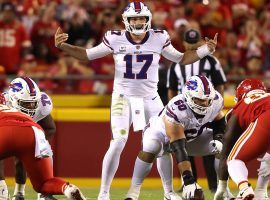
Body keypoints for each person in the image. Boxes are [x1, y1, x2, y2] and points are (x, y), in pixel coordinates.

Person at [54, 2, 218, 199]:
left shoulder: (159, 37)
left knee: (163, 143)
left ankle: (168, 192)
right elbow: (87, 55)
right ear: (126, 21)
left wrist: (204, 51)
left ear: (148, 20)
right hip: (123, 98)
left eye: (141, 18)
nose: (138, 22)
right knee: (118, 142)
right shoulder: (114, 38)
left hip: (151, 98)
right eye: (134, 19)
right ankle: (103, 193)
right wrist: (62, 46)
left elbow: (181, 58)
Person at [125, 75, 231, 200]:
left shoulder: (216, 100)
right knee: (153, 146)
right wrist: (188, 180)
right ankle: (133, 192)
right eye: (199, 100)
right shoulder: (177, 108)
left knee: (225, 144)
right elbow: (179, 147)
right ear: (188, 97)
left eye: (207, 100)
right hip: (160, 133)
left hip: (191, 137)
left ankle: (224, 190)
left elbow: (219, 121)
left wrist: (218, 138)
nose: (204, 104)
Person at [167, 29, 227, 193]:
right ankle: (189, 182)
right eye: (190, 44)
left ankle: (214, 184)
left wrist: (214, 107)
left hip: (206, 108)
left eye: (195, 44)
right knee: (183, 146)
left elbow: (219, 83)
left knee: (211, 146)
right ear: (184, 43)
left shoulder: (211, 61)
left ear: (200, 43)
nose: (193, 47)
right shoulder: (176, 64)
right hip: (183, 111)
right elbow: (171, 89)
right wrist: (171, 109)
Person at [0, 94, 86, 200]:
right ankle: (67, 188)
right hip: (32, 131)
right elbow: (50, 127)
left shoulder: (11, 100)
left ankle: (1, 193)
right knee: (43, 183)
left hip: (3, 129)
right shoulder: (16, 105)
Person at [0, 77, 56, 200]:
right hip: (5, 131)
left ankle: (42, 192)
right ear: (13, 100)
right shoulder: (2, 102)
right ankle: (1, 189)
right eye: (26, 103)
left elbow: (50, 128)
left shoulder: (42, 105)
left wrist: (38, 145)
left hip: (29, 132)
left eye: (33, 103)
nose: (31, 107)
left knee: (44, 153)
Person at [215, 79, 270, 199]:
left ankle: (244, 189)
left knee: (234, 160)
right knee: (268, 158)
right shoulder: (266, 97)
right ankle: (261, 192)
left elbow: (226, 150)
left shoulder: (241, 106)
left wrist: (222, 186)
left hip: (266, 116)